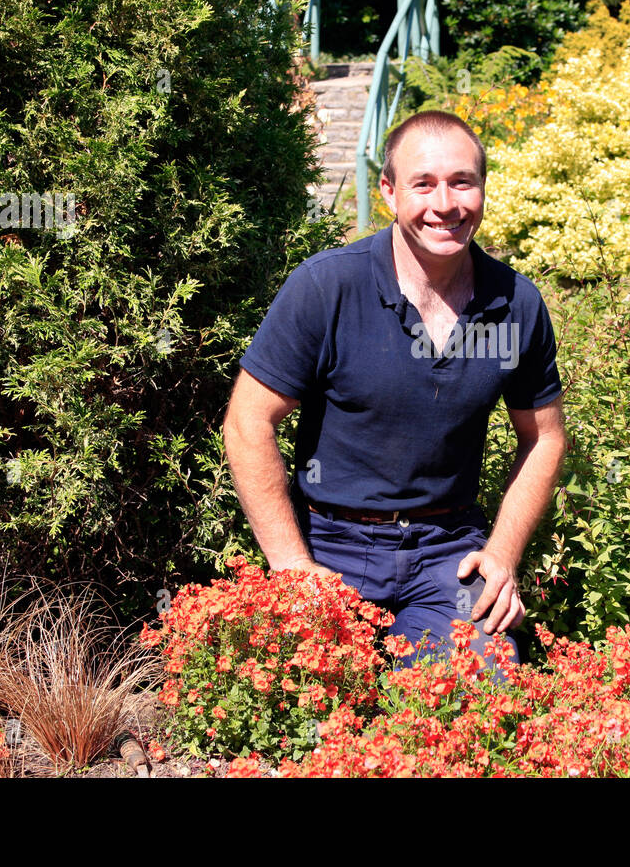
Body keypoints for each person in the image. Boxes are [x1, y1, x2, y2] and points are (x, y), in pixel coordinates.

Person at [222, 110, 567, 672]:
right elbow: (247, 422)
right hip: (332, 546)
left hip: (446, 552)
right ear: (388, 191)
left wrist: (502, 553)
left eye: (462, 182)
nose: (445, 204)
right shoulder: (328, 286)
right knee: (306, 704)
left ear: (482, 188)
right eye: (423, 184)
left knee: (482, 692)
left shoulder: (516, 303)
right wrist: (289, 565)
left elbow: (545, 438)